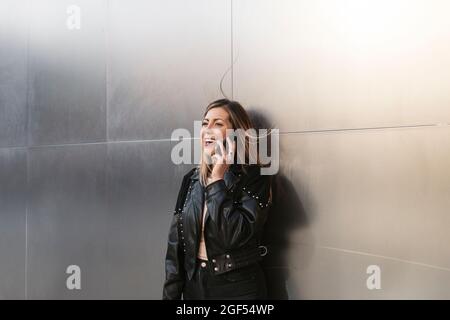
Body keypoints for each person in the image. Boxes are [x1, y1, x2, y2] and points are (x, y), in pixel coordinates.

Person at [163, 99, 273, 300]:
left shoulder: (256, 177)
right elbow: (176, 246)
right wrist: (170, 295)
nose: (207, 129)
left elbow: (234, 235)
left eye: (218, 124)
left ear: (236, 134)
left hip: (239, 291)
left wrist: (217, 181)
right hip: (195, 290)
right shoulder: (192, 179)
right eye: (205, 123)